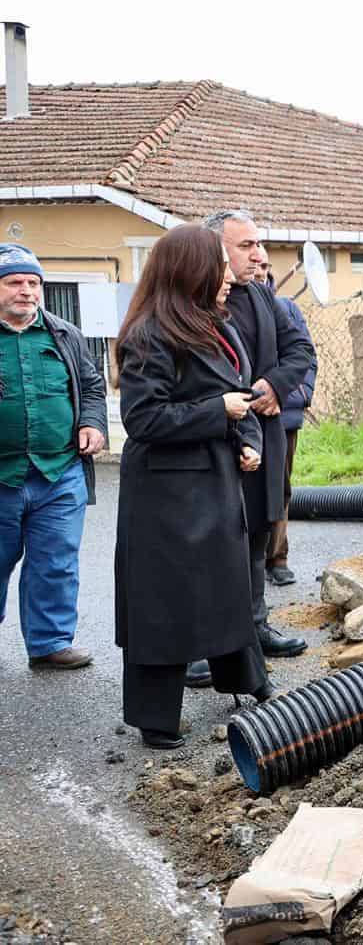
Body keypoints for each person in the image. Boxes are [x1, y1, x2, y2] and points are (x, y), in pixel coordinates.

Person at [114, 224, 274, 748]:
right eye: (219, 266)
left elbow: (238, 397)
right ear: (191, 271)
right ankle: (154, 718)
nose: (229, 276)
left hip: (214, 480)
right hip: (165, 497)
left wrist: (246, 438)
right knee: (165, 603)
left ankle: (245, 680)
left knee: (222, 589)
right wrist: (216, 413)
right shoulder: (148, 334)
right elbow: (144, 420)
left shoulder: (214, 325)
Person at [183, 209, 314, 685]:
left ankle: (254, 628)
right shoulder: (190, 305)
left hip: (265, 437)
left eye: (259, 244)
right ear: (214, 250)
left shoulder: (263, 296)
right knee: (210, 543)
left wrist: (273, 388)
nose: (259, 254)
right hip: (214, 443)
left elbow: (301, 351)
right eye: (246, 246)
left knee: (258, 533)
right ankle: (203, 645)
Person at [0, 244, 108, 670]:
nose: (26, 291)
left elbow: (94, 387)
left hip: (59, 474)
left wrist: (93, 424)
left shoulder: (66, 335)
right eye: (14, 283)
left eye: (33, 283)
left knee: (55, 564)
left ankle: (49, 643)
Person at [265, 280, 316, 587]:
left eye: (266, 266)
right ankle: (253, 559)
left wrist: (298, 393)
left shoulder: (286, 309)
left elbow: (306, 356)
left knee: (281, 488)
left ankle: (278, 557)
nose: (260, 268)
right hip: (245, 415)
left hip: (285, 416)